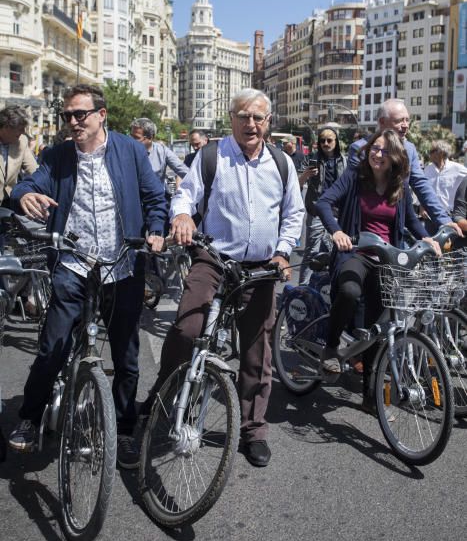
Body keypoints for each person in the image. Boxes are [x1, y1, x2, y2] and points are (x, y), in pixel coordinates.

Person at [8, 84, 168, 468]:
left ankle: (126, 429)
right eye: (68, 116)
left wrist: (157, 229)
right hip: (73, 262)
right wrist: (23, 195)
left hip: (122, 264)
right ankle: (29, 418)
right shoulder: (59, 155)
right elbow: (33, 182)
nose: (74, 122)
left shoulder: (130, 150)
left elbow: (154, 196)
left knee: (127, 356)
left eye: (80, 114)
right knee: (53, 346)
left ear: (101, 115)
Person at [147, 87, 304, 467]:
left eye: (258, 118)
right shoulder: (212, 156)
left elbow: (294, 213)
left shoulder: (282, 163)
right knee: (187, 328)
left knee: (257, 350)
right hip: (214, 257)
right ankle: (161, 402)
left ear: (268, 123)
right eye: (243, 116)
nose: (250, 124)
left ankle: (253, 429)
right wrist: (182, 216)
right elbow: (186, 195)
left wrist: (283, 251)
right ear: (231, 119)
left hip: (261, 267)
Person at [315, 129, 438, 412]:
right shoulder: (355, 177)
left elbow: (410, 223)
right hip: (356, 252)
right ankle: (331, 346)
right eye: (374, 148)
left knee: (376, 327)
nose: (377, 154)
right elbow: (323, 203)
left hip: (387, 258)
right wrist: (337, 231)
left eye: (384, 151)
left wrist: (426, 238)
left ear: (396, 157)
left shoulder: (401, 187)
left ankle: (370, 392)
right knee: (349, 290)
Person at [349, 99, 460, 234]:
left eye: (408, 120)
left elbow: (421, 184)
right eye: (399, 121)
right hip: (364, 229)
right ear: (382, 122)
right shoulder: (360, 149)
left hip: (397, 228)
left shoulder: (409, 149)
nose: (406, 125)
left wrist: (445, 221)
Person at [298, 126, 347, 284]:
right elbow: (296, 184)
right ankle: (303, 290)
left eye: (329, 140)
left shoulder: (345, 161)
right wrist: (306, 175)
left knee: (337, 252)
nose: (326, 143)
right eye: (322, 140)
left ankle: (331, 287)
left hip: (338, 213)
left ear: (336, 141)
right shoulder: (312, 159)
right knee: (311, 252)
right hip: (317, 211)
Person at [421, 140, 467, 233]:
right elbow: (422, 190)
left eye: (432, 151)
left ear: (440, 152)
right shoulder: (428, 169)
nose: (429, 154)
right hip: (431, 217)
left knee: (449, 246)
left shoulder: (458, 169)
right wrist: (422, 208)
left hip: (450, 217)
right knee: (431, 245)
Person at [130, 118, 188, 188]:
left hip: (155, 196)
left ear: (151, 138)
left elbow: (184, 172)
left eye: (136, 138)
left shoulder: (163, 152)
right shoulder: (124, 150)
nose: (131, 140)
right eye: (131, 136)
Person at [0, 106, 37, 208]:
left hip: (9, 200)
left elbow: (34, 170)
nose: (23, 132)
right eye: (20, 129)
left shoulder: (22, 141)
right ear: (6, 126)